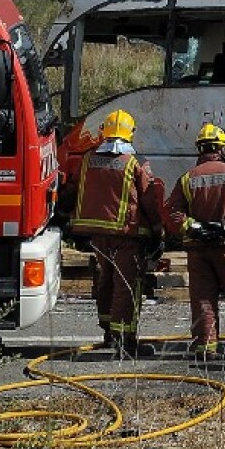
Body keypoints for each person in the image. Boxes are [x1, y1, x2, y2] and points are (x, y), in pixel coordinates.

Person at [71, 109, 164, 358]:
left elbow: (77, 190)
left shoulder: (89, 159)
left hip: (98, 234)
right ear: (130, 133)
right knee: (126, 284)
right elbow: (149, 199)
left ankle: (109, 334)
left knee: (106, 281)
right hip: (127, 235)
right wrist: (157, 230)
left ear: (104, 131)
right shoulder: (135, 163)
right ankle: (125, 340)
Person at [165, 123, 225, 360]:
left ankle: (206, 348)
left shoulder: (187, 179)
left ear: (199, 148)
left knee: (203, 298)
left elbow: (173, 212)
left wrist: (195, 228)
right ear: (222, 148)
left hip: (198, 250)